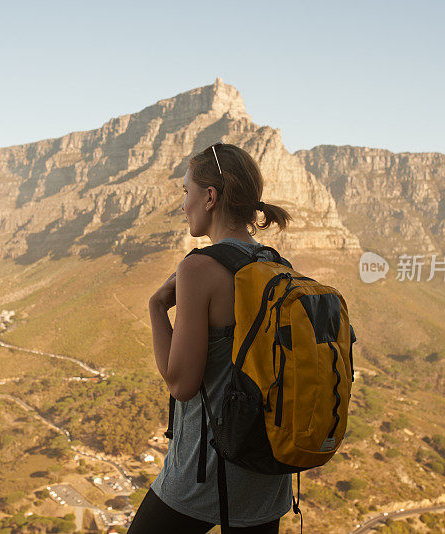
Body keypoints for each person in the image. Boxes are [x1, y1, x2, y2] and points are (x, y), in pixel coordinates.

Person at [128, 143, 294, 534]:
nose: (183, 204)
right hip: (268, 475)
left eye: (186, 192)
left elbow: (181, 384)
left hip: (205, 476)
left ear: (210, 196)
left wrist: (156, 306)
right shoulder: (276, 265)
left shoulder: (200, 267)